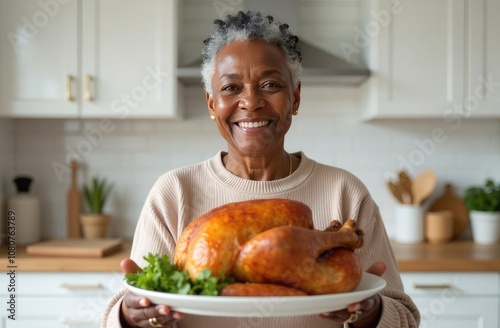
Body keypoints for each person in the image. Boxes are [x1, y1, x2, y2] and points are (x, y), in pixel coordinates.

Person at [101, 11, 420, 328]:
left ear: (294, 98)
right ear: (212, 104)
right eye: (231, 88)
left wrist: (371, 315)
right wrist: (132, 316)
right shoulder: (174, 192)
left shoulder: (344, 192)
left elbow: (405, 318)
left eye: (270, 84)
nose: (251, 101)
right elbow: (122, 312)